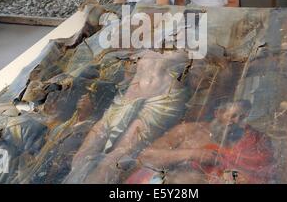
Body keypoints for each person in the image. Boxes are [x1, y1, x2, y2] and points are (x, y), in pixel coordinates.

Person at [64, 50, 192, 184]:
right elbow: (126, 68)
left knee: (114, 158)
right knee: (83, 154)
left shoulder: (188, 43)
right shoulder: (150, 40)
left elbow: (194, 69)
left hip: (160, 100)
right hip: (127, 99)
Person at [125, 100, 275, 184]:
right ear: (218, 114)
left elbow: (257, 175)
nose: (236, 122)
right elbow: (145, 158)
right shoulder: (187, 131)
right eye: (233, 116)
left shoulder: (251, 141)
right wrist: (192, 154)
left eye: (242, 118)